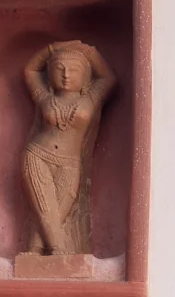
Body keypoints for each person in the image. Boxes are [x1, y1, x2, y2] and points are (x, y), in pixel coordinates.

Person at [21, 41, 117, 258]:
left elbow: (109, 78)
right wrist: (52, 49)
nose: (66, 75)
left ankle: (34, 251)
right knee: (45, 207)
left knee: (56, 213)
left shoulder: (90, 99)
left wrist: (87, 51)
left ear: (85, 77)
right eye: (59, 69)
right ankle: (56, 253)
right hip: (38, 157)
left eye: (74, 70)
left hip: (70, 163)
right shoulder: (46, 98)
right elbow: (30, 70)